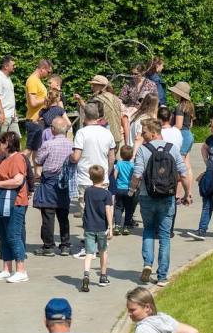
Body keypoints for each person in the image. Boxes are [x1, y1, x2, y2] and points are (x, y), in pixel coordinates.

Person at [130, 119, 191, 287]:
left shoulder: (143, 150)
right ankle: (162, 276)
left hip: (147, 196)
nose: (142, 135)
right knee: (164, 235)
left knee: (148, 230)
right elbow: (183, 173)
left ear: (153, 133)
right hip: (167, 197)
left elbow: (137, 174)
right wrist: (187, 194)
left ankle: (147, 263)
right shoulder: (172, 148)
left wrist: (131, 190)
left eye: (144, 132)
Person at [0, 132, 30, 284]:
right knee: (3, 236)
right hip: (0, 201)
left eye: (1, 142)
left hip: (15, 203)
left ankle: (21, 270)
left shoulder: (17, 159)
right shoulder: (2, 159)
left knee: (13, 236)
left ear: (8, 144)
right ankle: (6, 269)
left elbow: (18, 181)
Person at [32, 116, 74, 256]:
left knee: (48, 214)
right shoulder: (71, 144)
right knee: (63, 214)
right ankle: (65, 245)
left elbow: (38, 159)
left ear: (53, 129)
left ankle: (48, 246)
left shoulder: (48, 144)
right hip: (65, 180)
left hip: (50, 179)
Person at [80, 165, 114, 293]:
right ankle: (103, 277)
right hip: (101, 227)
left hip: (89, 226)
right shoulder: (107, 194)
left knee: (89, 253)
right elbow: (108, 211)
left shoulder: (88, 192)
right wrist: (110, 227)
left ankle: (86, 275)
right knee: (103, 251)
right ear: (104, 177)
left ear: (90, 177)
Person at [75, 75, 127, 147]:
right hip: (117, 137)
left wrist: (80, 100)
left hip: (104, 138)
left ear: (102, 86)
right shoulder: (116, 98)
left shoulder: (98, 99)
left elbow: (89, 111)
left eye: (94, 85)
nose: (92, 87)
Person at [0, 55, 20, 138]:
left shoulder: (7, 78)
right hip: (2, 116)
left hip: (11, 116)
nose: (15, 67)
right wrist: (1, 113)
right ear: (6, 66)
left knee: (16, 139)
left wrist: (14, 112)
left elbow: (9, 97)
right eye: (13, 65)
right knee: (0, 140)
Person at [113, 145, 138, 235]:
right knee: (129, 208)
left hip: (119, 189)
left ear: (121, 155)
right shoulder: (133, 166)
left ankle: (117, 226)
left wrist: (113, 186)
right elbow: (135, 177)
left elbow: (115, 175)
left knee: (118, 207)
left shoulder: (119, 164)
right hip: (129, 190)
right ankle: (126, 227)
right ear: (131, 156)